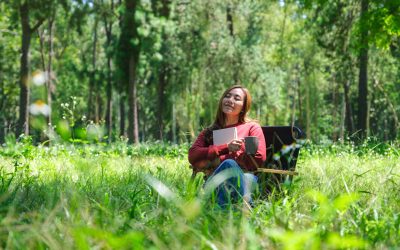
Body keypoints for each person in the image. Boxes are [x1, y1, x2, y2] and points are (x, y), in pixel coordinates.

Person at [188, 85, 266, 207]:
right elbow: (193, 156)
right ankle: (244, 208)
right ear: (221, 101)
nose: (230, 100)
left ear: (243, 107)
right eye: (227, 96)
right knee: (229, 164)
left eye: (237, 98)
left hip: (245, 178)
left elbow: (258, 161)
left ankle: (219, 212)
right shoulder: (209, 132)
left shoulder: (252, 127)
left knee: (233, 167)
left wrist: (238, 151)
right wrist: (225, 148)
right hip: (215, 180)